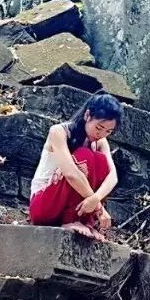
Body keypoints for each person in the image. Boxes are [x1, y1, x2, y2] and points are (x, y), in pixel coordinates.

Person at [27, 92, 121, 240]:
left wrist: (95, 199)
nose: (101, 134)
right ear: (87, 115)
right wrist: (99, 207)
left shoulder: (101, 142)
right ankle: (71, 220)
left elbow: (113, 176)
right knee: (84, 154)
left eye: (108, 131)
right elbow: (70, 174)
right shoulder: (59, 132)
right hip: (44, 206)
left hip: (83, 207)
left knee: (101, 161)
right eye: (99, 127)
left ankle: (85, 222)